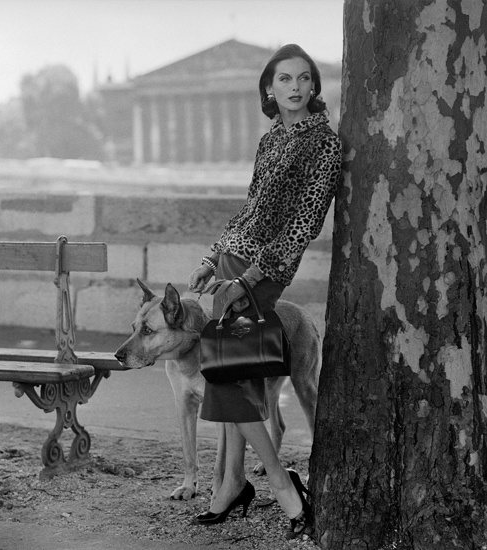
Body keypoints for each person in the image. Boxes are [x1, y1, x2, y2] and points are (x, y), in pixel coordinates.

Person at [188, 43, 342, 540]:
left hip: (262, 272)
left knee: (228, 377)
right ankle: (232, 485)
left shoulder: (324, 143)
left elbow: (305, 222)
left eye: (303, 78)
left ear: (314, 86)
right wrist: (213, 258)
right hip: (233, 264)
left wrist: (252, 278)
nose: (295, 87)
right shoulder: (270, 139)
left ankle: (282, 489)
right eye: (284, 80)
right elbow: (248, 213)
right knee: (228, 375)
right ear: (269, 89)